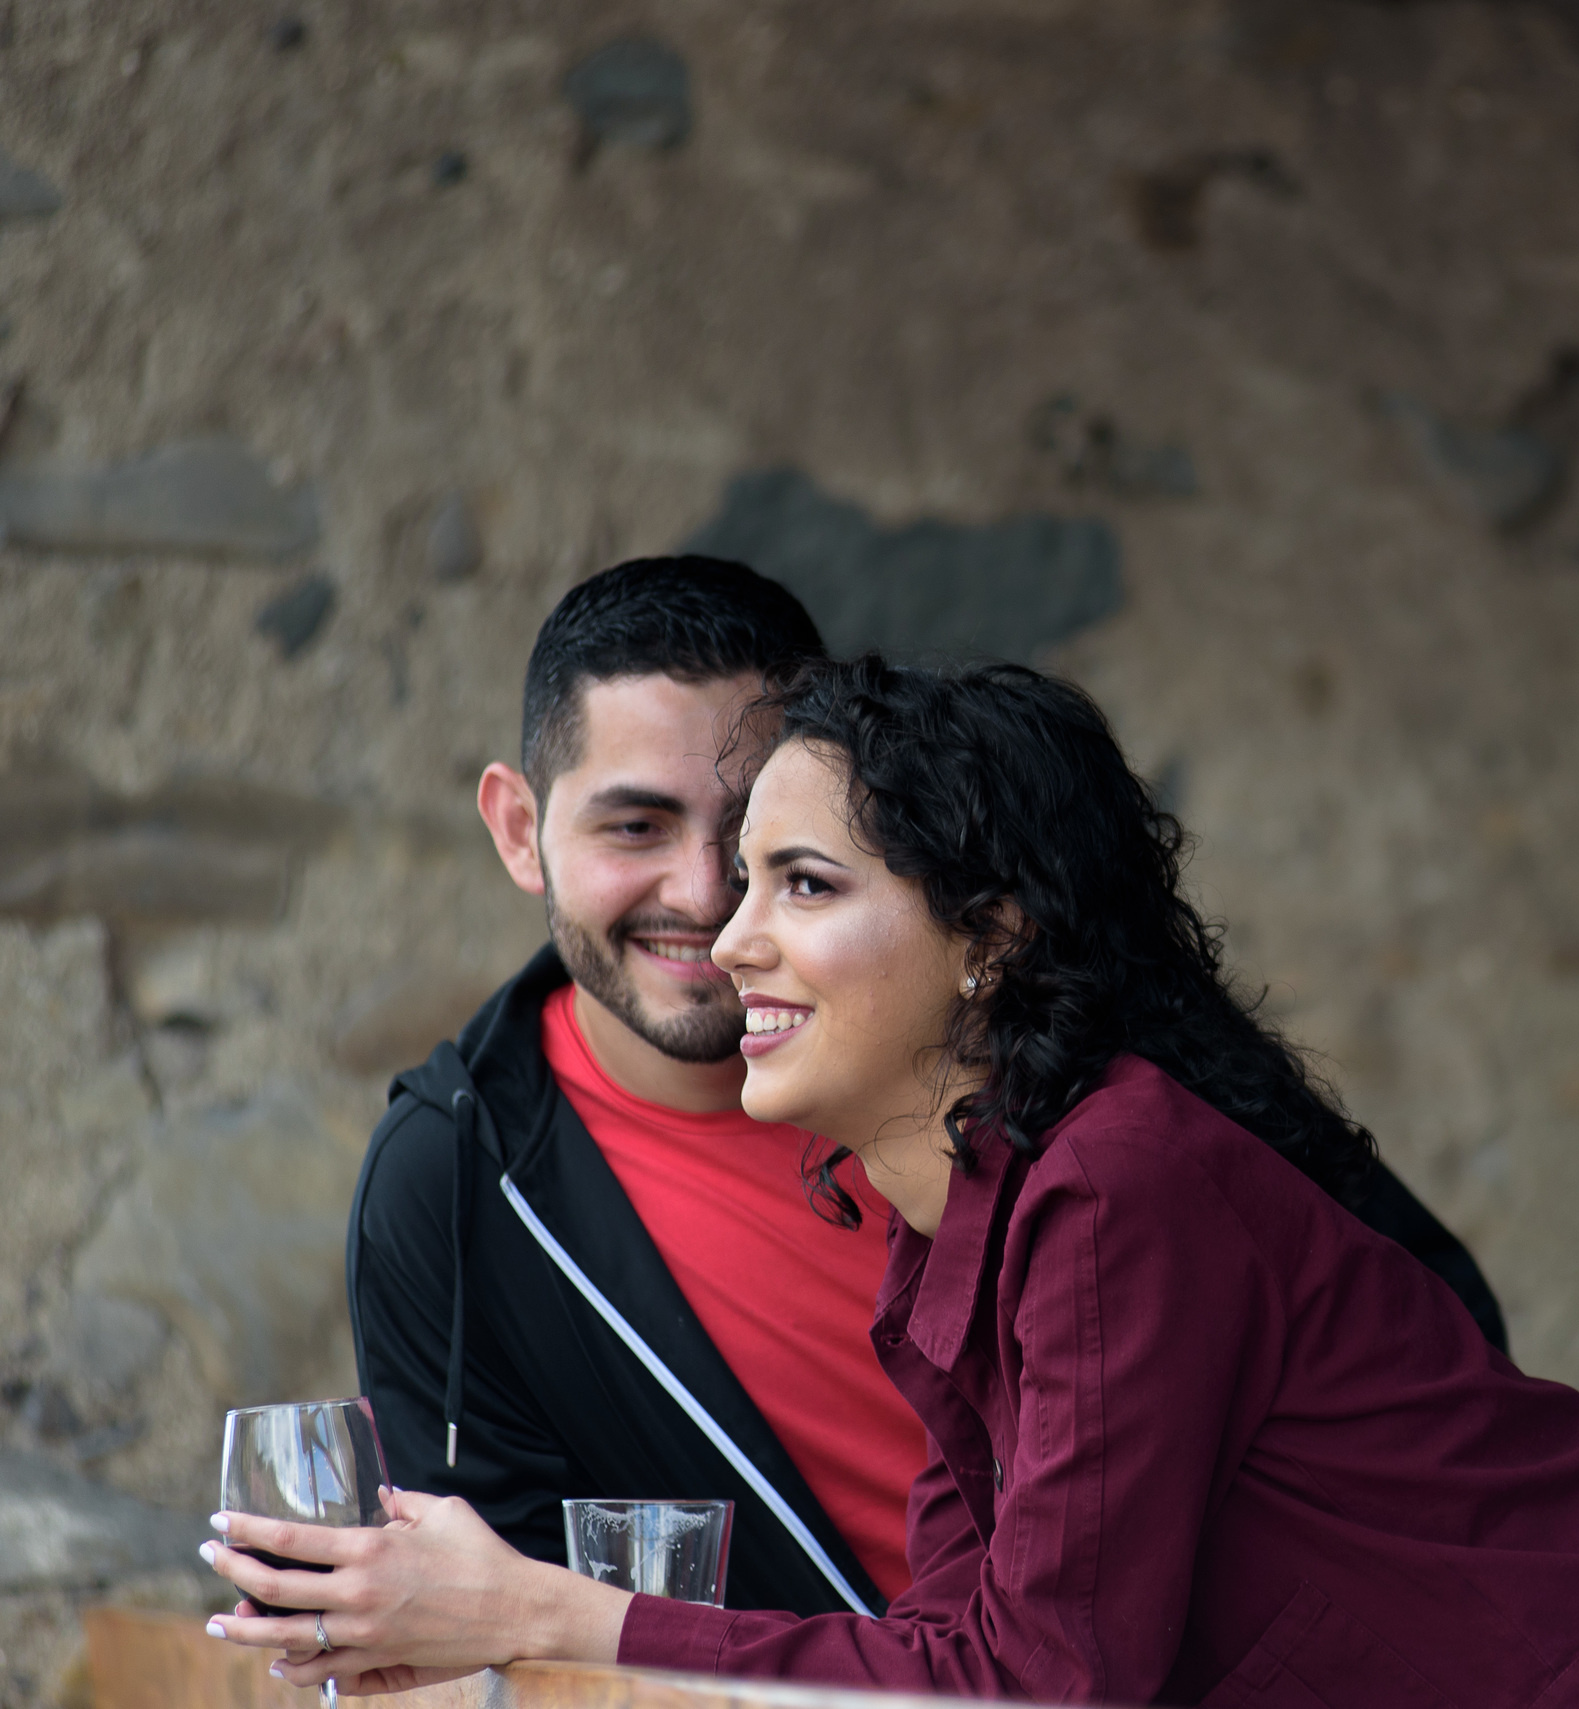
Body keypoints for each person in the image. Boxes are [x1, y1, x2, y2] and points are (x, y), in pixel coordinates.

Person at [210, 654, 1579, 1706]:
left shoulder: (1113, 1183)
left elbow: (1040, 1688)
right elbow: (948, 1653)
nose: (731, 941)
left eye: (801, 884)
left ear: (989, 937)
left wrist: (556, 1608)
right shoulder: (950, 1223)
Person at [345, 558, 1510, 1620]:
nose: (711, 900)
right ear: (518, 827)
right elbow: (494, 1607)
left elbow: (1419, 1351)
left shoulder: (1059, 1105)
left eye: (771, 849)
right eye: (636, 823)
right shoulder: (453, 1179)